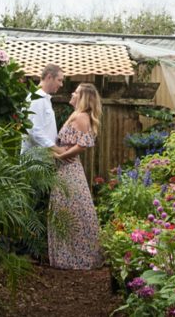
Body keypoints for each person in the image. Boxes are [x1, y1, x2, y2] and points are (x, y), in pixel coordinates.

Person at [48, 82, 104, 269]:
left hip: (69, 169)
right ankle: (70, 257)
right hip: (66, 169)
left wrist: (60, 155)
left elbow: (81, 145)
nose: (72, 93)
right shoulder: (78, 115)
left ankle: (78, 258)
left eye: (76, 92)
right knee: (70, 209)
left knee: (71, 211)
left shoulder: (81, 117)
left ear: (83, 98)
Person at [21, 63, 63, 155]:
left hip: (42, 159)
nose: (61, 84)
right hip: (35, 161)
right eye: (59, 80)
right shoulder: (37, 98)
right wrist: (58, 150)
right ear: (49, 77)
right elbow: (35, 132)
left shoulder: (44, 98)